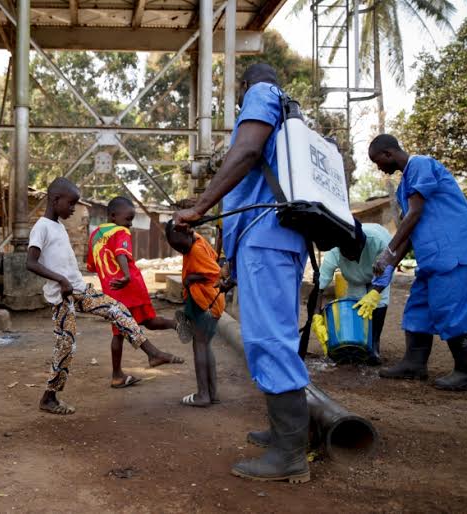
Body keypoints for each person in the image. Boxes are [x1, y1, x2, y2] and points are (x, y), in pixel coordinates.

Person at [174, 63, 310, 484]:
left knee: (268, 339)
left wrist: (199, 206)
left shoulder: (262, 95)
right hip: (280, 238)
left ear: (244, 87)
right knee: (277, 336)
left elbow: (247, 151)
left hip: (265, 236)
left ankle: (290, 454)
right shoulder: (292, 112)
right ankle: (285, 434)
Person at [27, 178, 184, 415]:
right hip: (62, 297)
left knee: (117, 310)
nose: (73, 209)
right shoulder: (42, 227)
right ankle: (49, 398)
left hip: (79, 290)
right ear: (55, 199)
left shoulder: (58, 226)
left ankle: (152, 353)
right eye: (71, 204)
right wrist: (60, 280)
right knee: (66, 345)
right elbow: (30, 262)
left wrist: (72, 278)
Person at [368, 134, 467, 390]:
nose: (379, 168)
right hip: (432, 259)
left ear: (388, 153)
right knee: (418, 310)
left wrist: (387, 252)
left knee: (450, 310)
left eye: (378, 162)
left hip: (451, 252)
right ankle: (414, 363)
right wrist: (388, 267)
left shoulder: (420, 165)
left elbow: (416, 213)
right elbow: (408, 231)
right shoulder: (404, 188)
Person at [87, 196, 180, 388]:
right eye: (128, 219)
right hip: (130, 287)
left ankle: (117, 375)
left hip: (111, 292)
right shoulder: (119, 231)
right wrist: (127, 275)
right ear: (113, 216)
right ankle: (177, 327)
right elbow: (121, 253)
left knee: (124, 330)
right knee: (146, 321)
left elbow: (92, 266)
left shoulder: (95, 235)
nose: (129, 225)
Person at [165, 222, 229, 407]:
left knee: (199, 346)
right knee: (205, 345)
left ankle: (203, 395)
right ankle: (212, 392)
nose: (180, 251)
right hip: (205, 300)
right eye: (176, 248)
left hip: (205, 302)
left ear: (187, 234)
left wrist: (191, 278)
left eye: (180, 246)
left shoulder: (196, 249)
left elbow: (216, 272)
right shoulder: (197, 239)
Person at [312, 221, 393, 365]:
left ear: (362, 245)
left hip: (379, 273)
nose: (351, 257)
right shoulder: (334, 253)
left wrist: (375, 292)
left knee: (378, 302)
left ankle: (374, 344)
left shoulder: (379, 241)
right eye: (346, 252)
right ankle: (357, 341)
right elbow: (320, 287)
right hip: (355, 279)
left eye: (354, 252)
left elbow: (389, 267)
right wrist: (316, 315)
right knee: (356, 303)